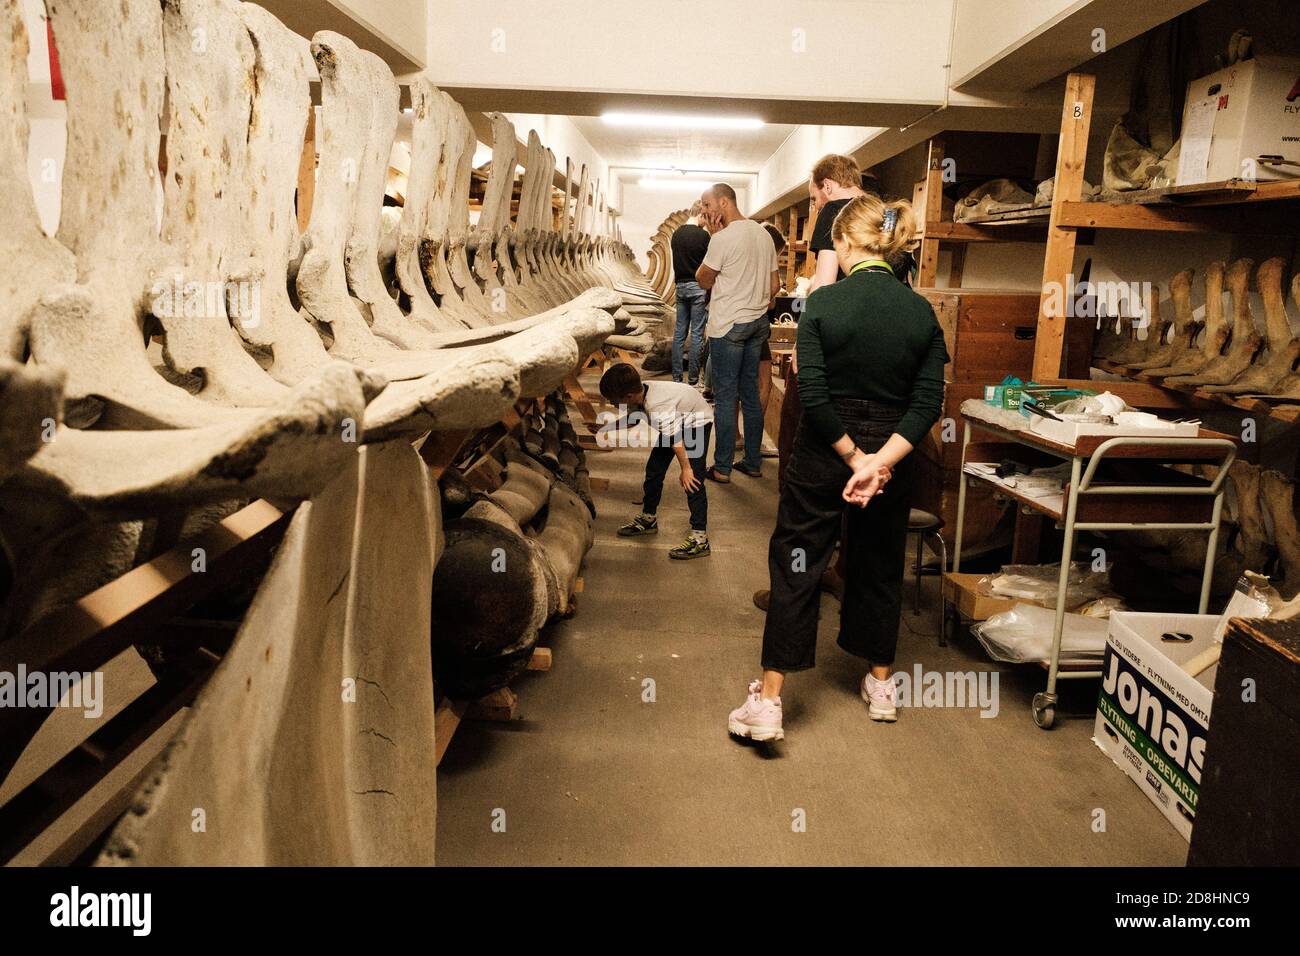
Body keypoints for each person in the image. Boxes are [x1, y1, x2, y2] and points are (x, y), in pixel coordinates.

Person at [727, 195, 949, 742]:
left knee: (797, 562)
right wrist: (880, 462)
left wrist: (851, 456)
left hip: (826, 453)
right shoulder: (920, 311)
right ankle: (880, 686)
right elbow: (928, 402)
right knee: (877, 562)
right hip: (891, 457)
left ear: (845, 244)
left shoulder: (823, 305)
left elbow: (816, 393)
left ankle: (771, 702)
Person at [694, 184, 779, 483]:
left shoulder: (722, 238)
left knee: (726, 398)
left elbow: (703, 280)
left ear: (724, 201)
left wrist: (714, 238)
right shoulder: (763, 234)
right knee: (751, 396)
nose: (704, 211)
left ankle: (722, 467)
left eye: (707, 204)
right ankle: (753, 462)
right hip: (757, 325)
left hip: (728, 326)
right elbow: (774, 287)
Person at [601, 362, 714, 561]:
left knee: (693, 480)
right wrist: (606, 428)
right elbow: (634, 419)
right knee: (654, 470)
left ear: (627, 397)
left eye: (612, 401)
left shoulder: (656, 406)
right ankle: (648, 519)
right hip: (678, 420)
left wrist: (686, 468)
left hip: (696, 421)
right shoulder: (639, 394)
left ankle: (700, 538)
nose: (611, 405)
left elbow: (675, 439)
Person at [669, 202, 711, 385]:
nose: (706, 222)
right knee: (696, 334)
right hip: (698, 287)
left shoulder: (676, 234)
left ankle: (677, 378)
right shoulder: (703, 236)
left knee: (679, 333)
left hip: (680, 287)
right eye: (706, 217)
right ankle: (693, 379)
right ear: (701, 214)